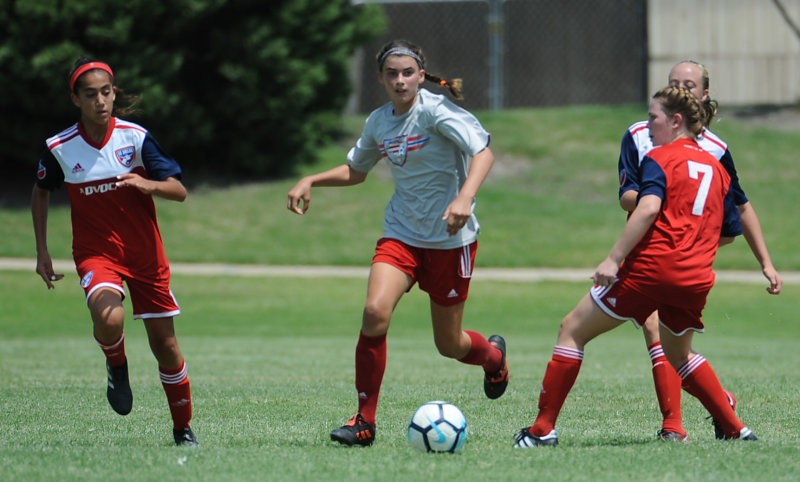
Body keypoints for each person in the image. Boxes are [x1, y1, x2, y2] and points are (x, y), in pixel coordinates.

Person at [287, 39, 508, 447]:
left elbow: (483, 154)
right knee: (374, 312)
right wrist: (311, 179)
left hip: (450, 241)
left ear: (421, 76)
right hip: (401, 235)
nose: (400, 80)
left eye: (408, 73)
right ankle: (364, 422)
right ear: (381, 78)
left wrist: (464, 198)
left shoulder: (436, 111)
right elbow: (357, 170)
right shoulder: (379, 121)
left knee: (449, 344)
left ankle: (493, 358)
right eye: (392, 74)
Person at [513, 86, 758, 448]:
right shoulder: (716, 169)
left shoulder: (660, 157)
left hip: (651, 271)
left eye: (653, 117)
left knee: (571, 330)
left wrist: (613, 259)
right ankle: (737, 430)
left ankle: (542, 430)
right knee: (679, 355)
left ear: (675, 121)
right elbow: (724, 232)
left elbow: (647, 207)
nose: (648, 125)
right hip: (696, 278)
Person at [31, 57, 198, 447]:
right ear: (76, 99)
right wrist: (42, 250)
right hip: (96, 254)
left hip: (146, 255)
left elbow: (179, 190)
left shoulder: (135, 139)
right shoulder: (59, 147)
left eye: (106, 92)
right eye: (90, 95)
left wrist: (148, 184)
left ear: (114, 93)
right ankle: (116, 364)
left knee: (166, 347)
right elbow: (40, 192)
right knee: (109, 317)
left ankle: (183, 429)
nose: (100, 101)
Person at [618, 61, 782, 441]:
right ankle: (701, 412)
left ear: (704, 95)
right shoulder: (642, 135)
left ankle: (680, 423)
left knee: (668, 337)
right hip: (649, 248)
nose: (681, 89)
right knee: (658, 331)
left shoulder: (716, 149)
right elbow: (627, 195)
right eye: (673, 83)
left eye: (689, 85)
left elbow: (739, 209)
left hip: (687, 257)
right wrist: (657, 204)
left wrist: (766, 262)